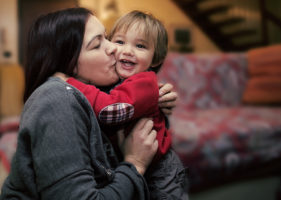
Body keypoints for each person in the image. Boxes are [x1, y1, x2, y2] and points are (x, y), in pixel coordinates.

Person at [0, 7, 177, 199]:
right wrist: (135, 163)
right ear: (70, 63)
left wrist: (154, 99)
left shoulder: (85, 93)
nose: (114, 48)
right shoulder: (57, 99)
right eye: (97, 44)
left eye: (107, 37)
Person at [62, 10, 188, 199]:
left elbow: (109, 109)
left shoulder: (144, 83)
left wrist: (70, 83)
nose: (127, 51)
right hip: (131, 163)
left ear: (156, 59)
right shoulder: (112, 79)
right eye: (120, 42)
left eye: (140, 46)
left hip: (160, 172)